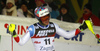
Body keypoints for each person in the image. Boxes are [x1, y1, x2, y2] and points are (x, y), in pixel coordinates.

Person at [8, 6, 88, 51]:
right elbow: (21, 42)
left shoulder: (53, 26)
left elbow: (67, 35)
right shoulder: (33, 28)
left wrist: (81, 28)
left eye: (48, 17)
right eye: (44, 18)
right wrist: (14, 33)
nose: (47, 20)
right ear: (38, 19)